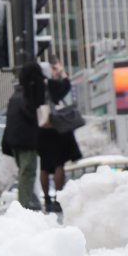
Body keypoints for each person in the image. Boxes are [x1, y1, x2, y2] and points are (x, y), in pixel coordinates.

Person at [37, 61, 82, 213]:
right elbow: (66, 86)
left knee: (44, 166)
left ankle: (46, 199)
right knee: (58, 164)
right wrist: (61, 73)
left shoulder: (33, 85)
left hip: (40, 128)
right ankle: (58, 198)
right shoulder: (51, 84)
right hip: (55, 126)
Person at [1, 62, 47, 211]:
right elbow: (35, 112)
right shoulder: (29, 94)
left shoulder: (16, 94)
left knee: (24, 172)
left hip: (14, 140)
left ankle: (27, 202)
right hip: (26, 140)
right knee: (27, 172)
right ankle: (24, 205)